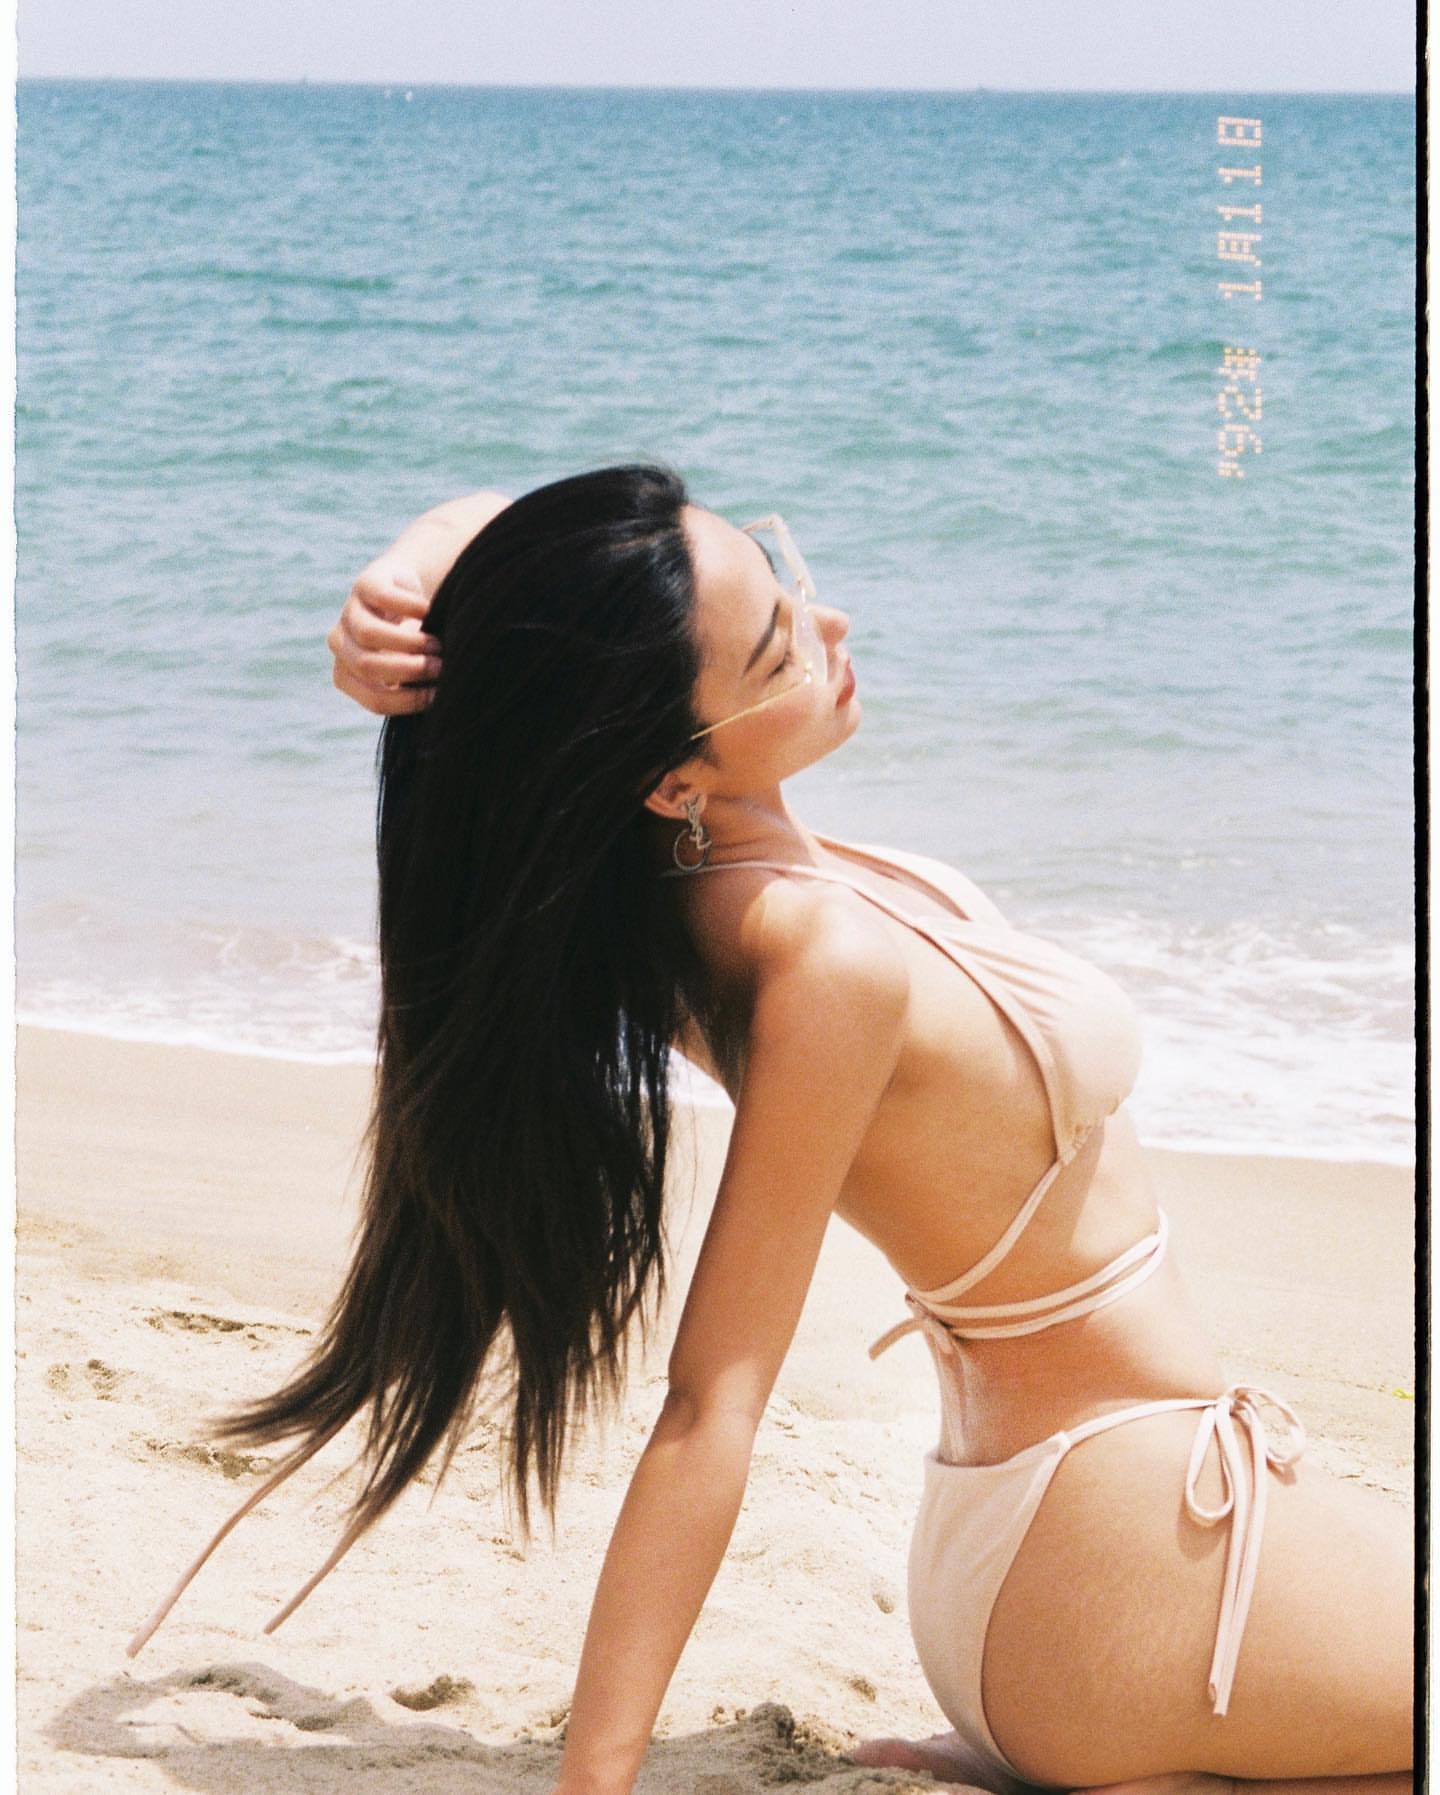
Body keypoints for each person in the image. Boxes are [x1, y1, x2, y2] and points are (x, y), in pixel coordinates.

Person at [129, 465, 1412, 1795]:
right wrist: (595, 1780)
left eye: (788, 581)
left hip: (1072, 1558)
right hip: (1117, 1557)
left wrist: (401, 589)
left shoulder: (712, 886)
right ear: (670, 777)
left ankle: (1133, 1767)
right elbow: (710, 1406)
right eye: (780, 647)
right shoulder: (815, 960)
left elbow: (530, 557)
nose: (831, 625)